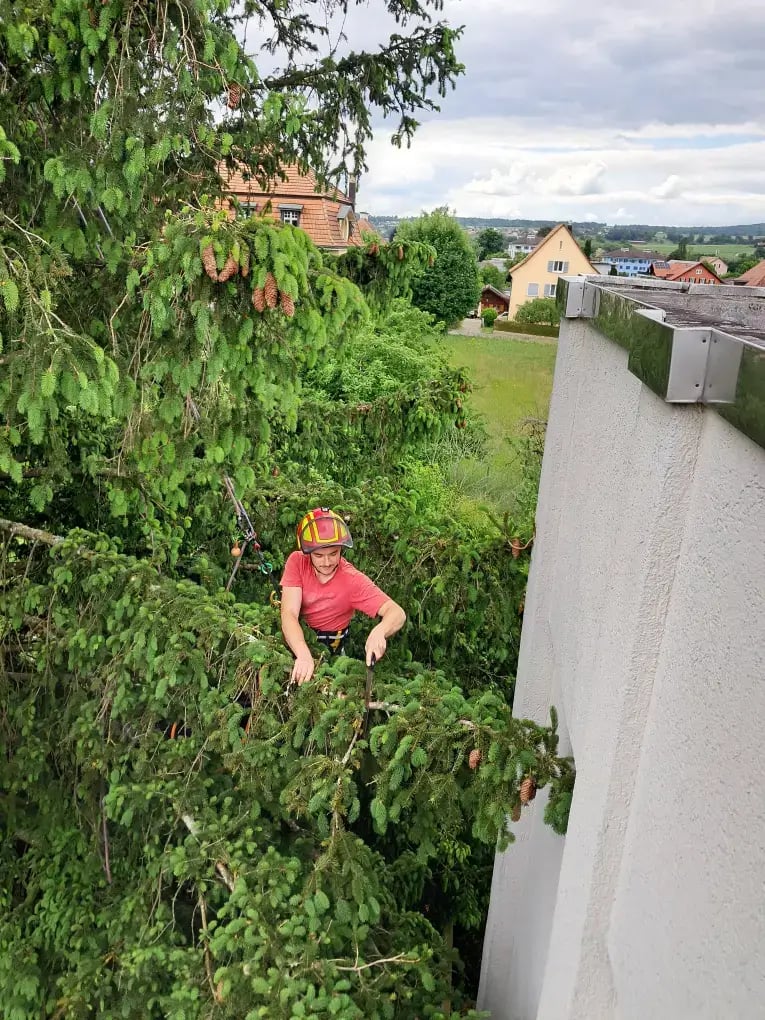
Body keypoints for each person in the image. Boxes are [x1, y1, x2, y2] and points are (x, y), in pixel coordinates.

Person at [280, 507, 406, 684]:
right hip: (298, 637)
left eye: (333, 554)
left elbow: (397, 613)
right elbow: (289, 613)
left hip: (332, 650)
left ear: (341, 549)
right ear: (307, 553)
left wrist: (380, 631)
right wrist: (303, 654)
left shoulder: (351, 580)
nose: (326, 562)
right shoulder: (297, 562)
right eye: (318, 555)